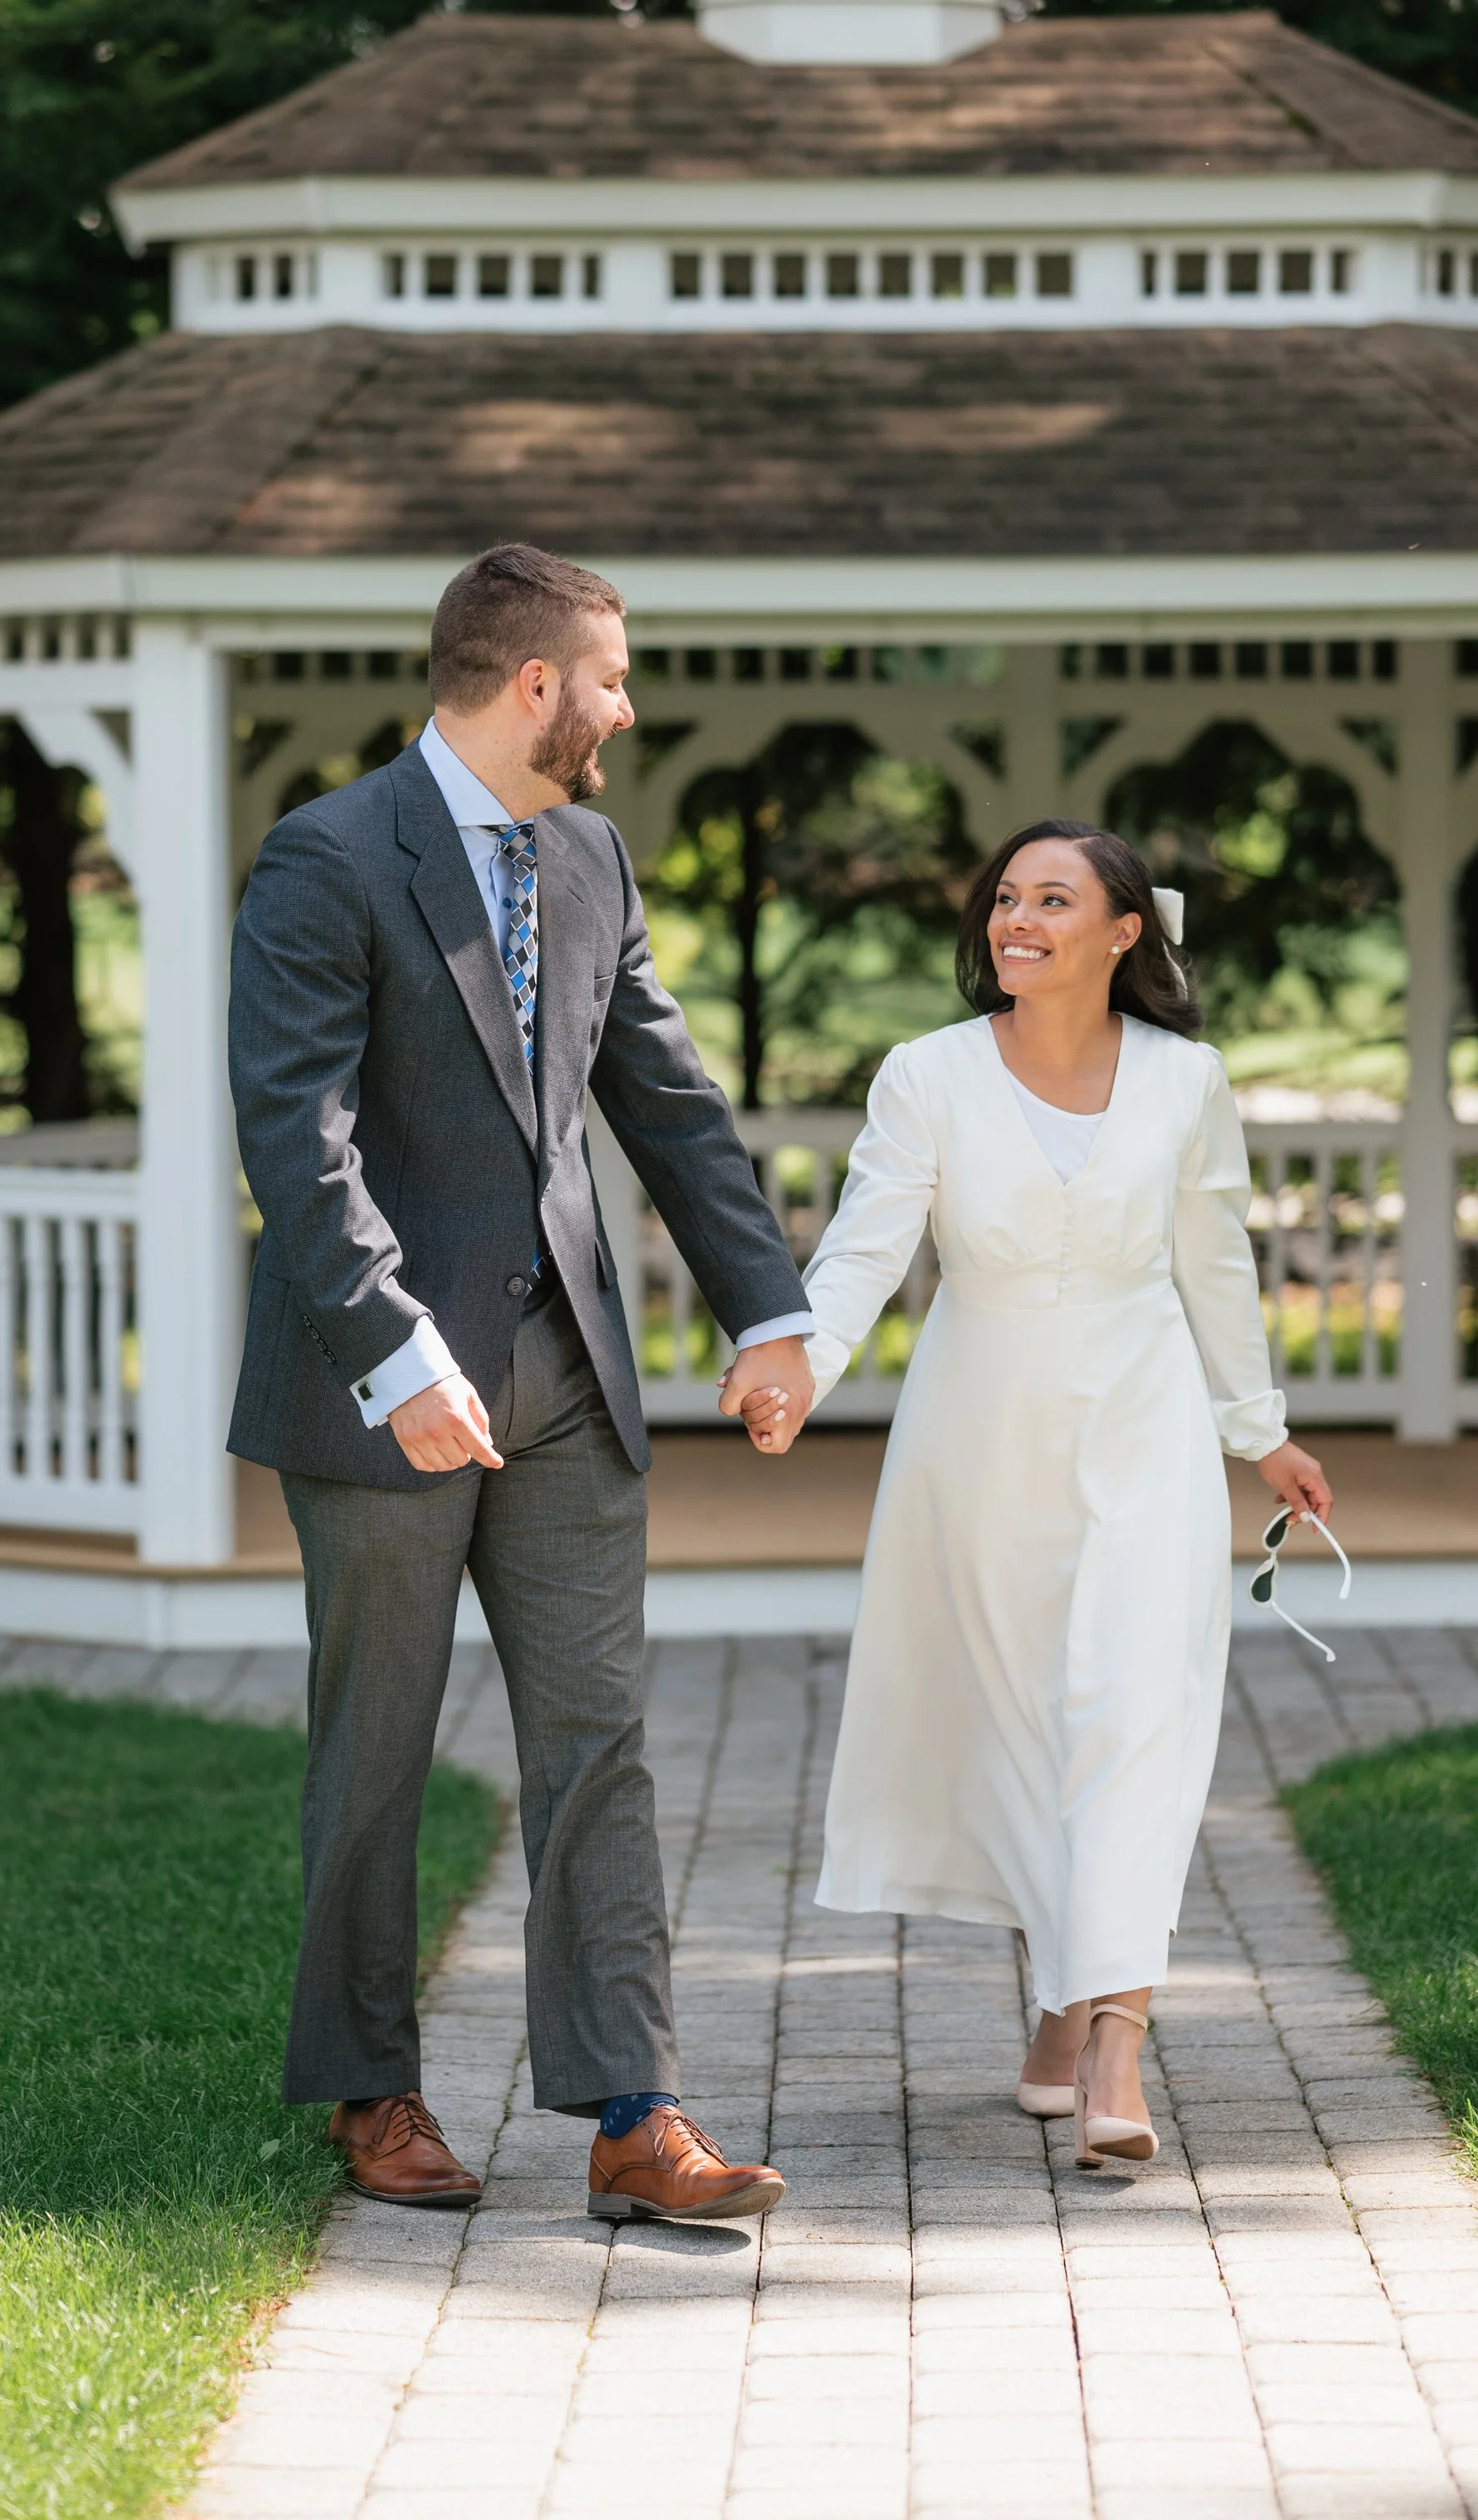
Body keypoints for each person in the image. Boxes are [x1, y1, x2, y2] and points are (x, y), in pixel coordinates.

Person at [228, 542, 813, 2223]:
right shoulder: (327, 859)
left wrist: (759, 1311)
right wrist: (391, 1351)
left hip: (565, 1378)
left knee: (598, 1741)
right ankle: (370, 2091)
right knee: (378, 1748)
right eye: (611, 678)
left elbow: (670, 1100)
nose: (626, 707)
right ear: (532, 683)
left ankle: (635, 2116)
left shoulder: (589, 857)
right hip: (383, 1382)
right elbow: (297, 1131)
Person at [742, 821, 1331, 2170]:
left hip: (1146, 1430)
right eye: (1007, 898)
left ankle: (1116, 2042)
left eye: (1053, 900)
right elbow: (866, 1244)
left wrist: (1264, 1435)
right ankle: (1061, 1998)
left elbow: (1216, 1267)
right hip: (975, 1443)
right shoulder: (927, 1077)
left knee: (1132, 1714)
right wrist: (802, 1365)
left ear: (1124, 933)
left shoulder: (1189, 1083)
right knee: (1022, 1729)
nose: (1017, 919)